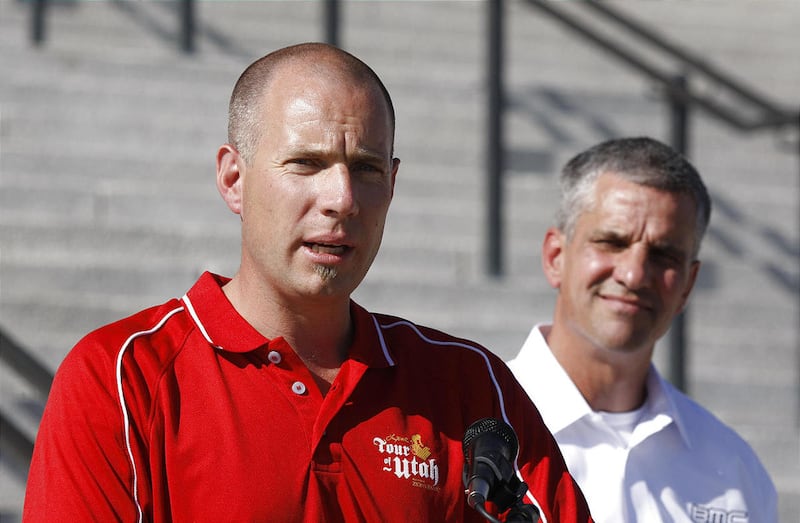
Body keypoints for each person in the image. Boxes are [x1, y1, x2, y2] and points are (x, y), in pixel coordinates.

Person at [23, 43, 592, 522]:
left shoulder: (470, 386)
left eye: (367, 168)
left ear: (392, 185)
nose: (341, 199)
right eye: (305, 164)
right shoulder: (122, 378)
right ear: (233, 178)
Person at [507, 137, 778, 522]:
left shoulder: (734, 470)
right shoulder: (464, 426)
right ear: (555, 256)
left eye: (664, 255)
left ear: (687, 284)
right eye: (612, 242)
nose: (634, 274)